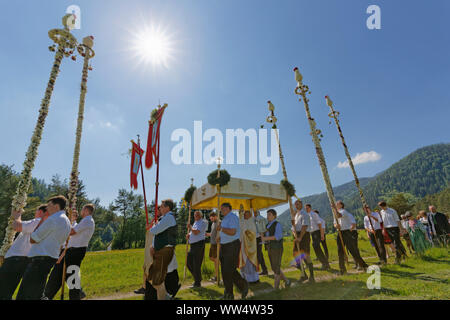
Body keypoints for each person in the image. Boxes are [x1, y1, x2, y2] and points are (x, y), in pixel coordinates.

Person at [16, 196, 71, 300]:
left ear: (56, 206)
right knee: (37, 291)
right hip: (51, 257)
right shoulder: (67, 222)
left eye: (49, 205)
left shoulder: (53, 219)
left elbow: (33, 238)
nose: (47, 208)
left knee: (26, 292)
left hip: (39, 259)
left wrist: (41, 221)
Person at [43, 203, 96, 300]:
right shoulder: (86, 221)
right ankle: (48, 295)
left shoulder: (87, 220)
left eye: (82, 209)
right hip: (71, 251)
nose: (81, 212)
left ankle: (74, 295)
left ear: (86, 210)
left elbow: (72, 232)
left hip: (76, 251)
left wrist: (63, 228)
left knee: (71, 275)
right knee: (61, 273)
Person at [0, 205, 47, 300]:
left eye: (36, 211)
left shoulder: (38, 221)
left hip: (16, 260)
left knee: (3, 290)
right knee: (6, 291)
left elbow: (17, 226)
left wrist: (17, 215)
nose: (35, 213)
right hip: (23, 259)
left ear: (42, 212)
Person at [216, 203, 248, 300]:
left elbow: (233, 232)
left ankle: (243, 286)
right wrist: (220, 237)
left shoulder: (232, 217)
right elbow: (226, 232)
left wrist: (221, 228)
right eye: (221, 209)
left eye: (224, 208)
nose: (222, 210)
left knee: (229, 270)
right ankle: (229, 293)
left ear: (229, 209)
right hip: (225, 246)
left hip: (232, 245)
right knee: (225, 271)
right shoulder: (225, 219)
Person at [148, 199, 177, 300]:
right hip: (161, 250)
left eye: (161, 206)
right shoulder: (164, 218)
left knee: (157, 280)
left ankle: (164, 297)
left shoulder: (168, 218)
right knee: (152, 277)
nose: (160, 208)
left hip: (165, 250)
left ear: (167, 207)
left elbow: (154, 231)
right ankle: (166, 296)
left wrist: (153, 226)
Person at [334, 200, 368, 275]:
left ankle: (363, 265)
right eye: (335, 204)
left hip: (346, 232)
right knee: (340, 251)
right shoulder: (335, 213)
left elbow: (339, 216)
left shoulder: (343, 211)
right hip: (340, 233)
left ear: (341, 205)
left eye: (337, 203)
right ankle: (342, 270)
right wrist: (336, 226)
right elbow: (335, 223)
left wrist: (334, 209)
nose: (336, 204)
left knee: (352, 250)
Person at [261, 209, 290, 290]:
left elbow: (278, 237)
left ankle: (275, 288)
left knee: (276, 267)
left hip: (277, 248)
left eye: (269, 214)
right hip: (270, 248)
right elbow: (265, 237)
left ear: (274, 216)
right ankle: (287, 281)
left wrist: (265, 238)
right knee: (274, 267)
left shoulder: (277, 224)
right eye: (267, 215)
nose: (267, 216)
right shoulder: (267, 225)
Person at [292, 199, 315, 283]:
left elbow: (304, 226)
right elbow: (293, 229)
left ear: (301, 205)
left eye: (298, 204)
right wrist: (296, 236)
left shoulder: (304, 214)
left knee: (306, 256)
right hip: (297, 235)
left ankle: (312, 277)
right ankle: (304, 275)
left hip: (304, 235)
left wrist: (300, 237)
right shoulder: (295, 215)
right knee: (296, 255)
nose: (297, 205)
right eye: (295, 204)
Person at [186, 210, 207, 288]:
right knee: (188, 262)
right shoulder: (195, 222)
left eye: (197, 215)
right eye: (195, 215)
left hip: (199, 244)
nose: (196, 216)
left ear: (200, 216)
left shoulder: (203, 222)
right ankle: (198, 278)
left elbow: (196, 232)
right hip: (193, 245)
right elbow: (193, 232)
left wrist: (190, 227)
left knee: (196, 263)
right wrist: (189, 235)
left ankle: (197, 282)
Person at [305, 204, 330, 270]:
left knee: (316, 246)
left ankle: (325, 263)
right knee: (316, 247)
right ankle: (325, 263)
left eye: (307, 208)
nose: (306, 209)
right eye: (306, 208)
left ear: (310, 208)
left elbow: (320, 224)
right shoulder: (309, 216)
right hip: (313, 233)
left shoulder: (314, 214)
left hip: (317, 232)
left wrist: (322, 234)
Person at [239, 209, 259, 284]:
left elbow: (252, 233)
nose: (244, 215)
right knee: (244, 261)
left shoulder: (252, 221)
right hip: (243, 245)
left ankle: (252, 279)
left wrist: (245, 231)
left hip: (250, 246)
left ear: (250, 215)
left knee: (250, 262)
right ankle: (244, 277)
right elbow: (241, 229)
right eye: (244, 214)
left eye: (246, 214)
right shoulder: (243, 221)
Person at [253, 210, 269, 276]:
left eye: (254, 211)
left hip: (259, 237)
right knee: (260, 254)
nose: (254, 213)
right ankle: (264, 270)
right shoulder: (255, 218)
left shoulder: (259, 218)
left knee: (258, 254)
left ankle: (256, 270)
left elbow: (262, 229)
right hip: (256, 238)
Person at [206, 211, 219, 282]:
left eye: (212, 217)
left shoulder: (219, 222)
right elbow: (212, 233)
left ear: (216, 216)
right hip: (212, 243)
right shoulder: (213, 223)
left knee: (216, 260)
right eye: (210, 218)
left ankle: (217, 276)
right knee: (211, 258)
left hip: (217, 244)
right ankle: (217, 274)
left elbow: (220, 232)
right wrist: (207, 234)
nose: (211, 219)